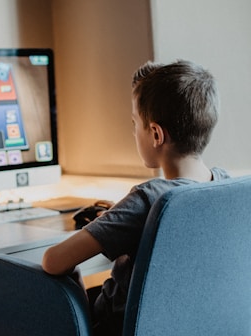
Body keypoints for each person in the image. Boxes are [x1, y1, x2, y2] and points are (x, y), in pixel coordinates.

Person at [42, 60, 230, 336]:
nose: (133, 132)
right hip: (190, 324)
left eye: (135, 124)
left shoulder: (148, 199)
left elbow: (53, 261)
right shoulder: (226, 185)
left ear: (155, 134)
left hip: (115, 326)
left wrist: (107, 223)